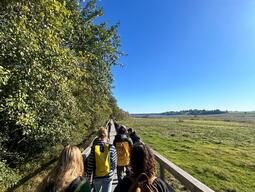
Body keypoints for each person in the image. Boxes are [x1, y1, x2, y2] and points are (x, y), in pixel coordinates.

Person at [86, 127, 117, 192]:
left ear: (98, 135)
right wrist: (112, 172)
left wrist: (88, 177)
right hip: (108, 175)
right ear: (106, 135)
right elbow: (114, 162)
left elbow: (90, 164)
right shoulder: (111, 147)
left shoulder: (94, 148)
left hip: (97, 176)